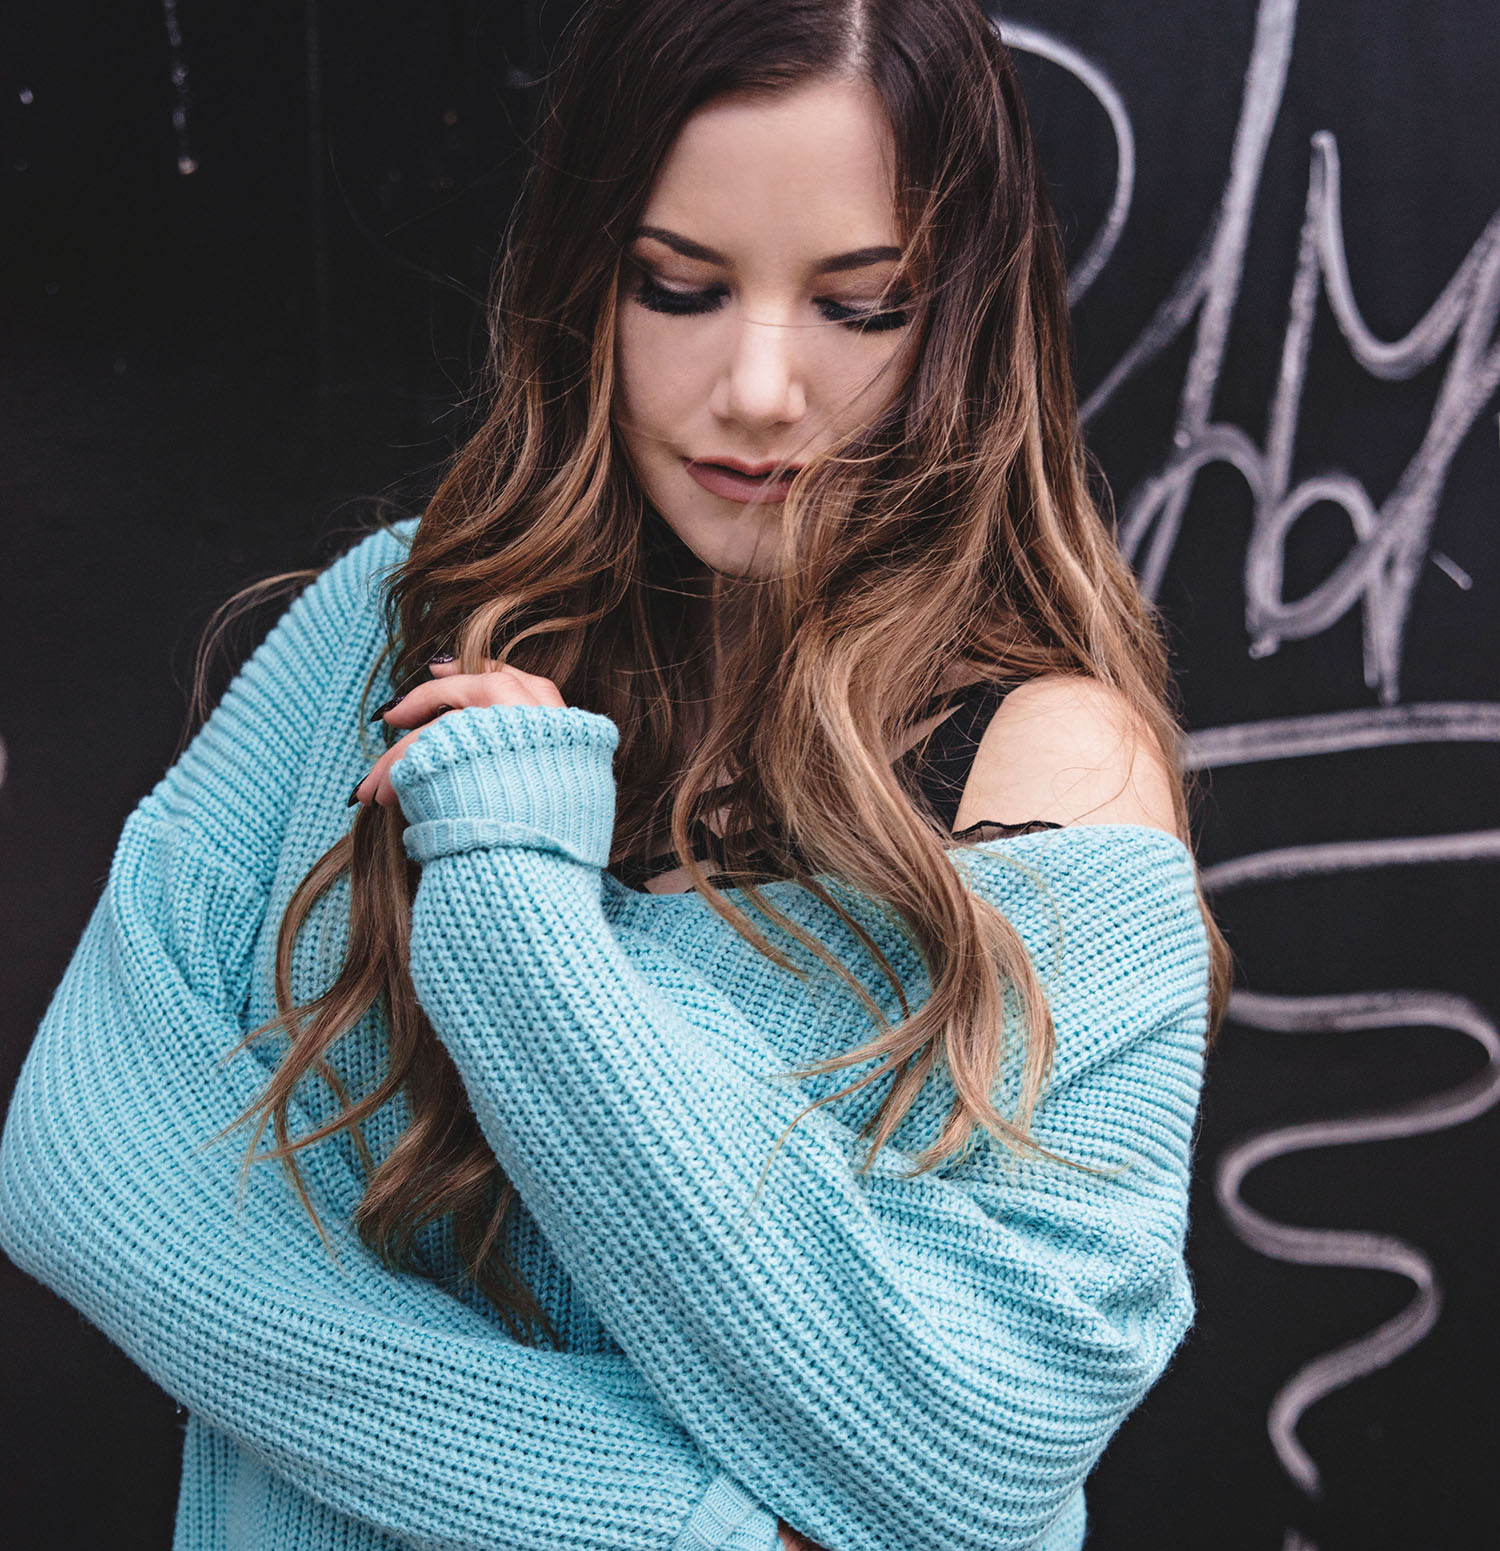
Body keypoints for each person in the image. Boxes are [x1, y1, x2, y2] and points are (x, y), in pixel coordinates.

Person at [0, 1, 1232, 1548]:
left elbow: (980, 1433)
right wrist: (666, 1525)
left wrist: (514, 897)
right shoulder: (381, 638)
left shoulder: (1047, 761)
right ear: (588, 280)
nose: (761, 388)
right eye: (681, 288)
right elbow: (91, 1175)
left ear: (963, 319)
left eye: (860, 307)